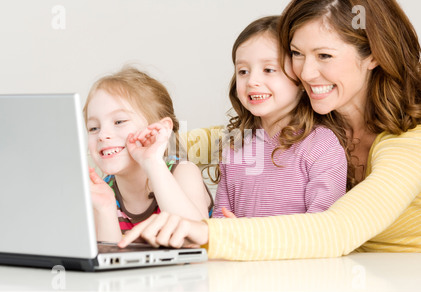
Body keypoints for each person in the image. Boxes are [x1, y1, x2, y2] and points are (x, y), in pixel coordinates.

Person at [119, 0, 421, 259]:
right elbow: (195, 143)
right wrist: (124, 144)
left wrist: (207, 233)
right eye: (296, 53)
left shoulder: (409, 143)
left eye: (324, 55)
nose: (305, 71)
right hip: (328, 276)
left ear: (373, 55)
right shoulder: (312, 121)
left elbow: (339, 228)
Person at [211, 16, 347, 219]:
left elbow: (324, 227)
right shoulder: (235, 145)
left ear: (300, 79)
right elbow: (220, 220)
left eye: (269, 70)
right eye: (243, 71)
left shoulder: (321, 146)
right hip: (237, 250)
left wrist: (252, 238)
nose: (252, 81)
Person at [85, 67, 213, 242]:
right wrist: (106, 209)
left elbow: (196, 243)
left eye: (119, 121)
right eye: (93, 128)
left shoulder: (183, 172)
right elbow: (112, 262)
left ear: (160, 129)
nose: (102, 135)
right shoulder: (103, 193)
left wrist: (152, 162)